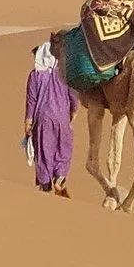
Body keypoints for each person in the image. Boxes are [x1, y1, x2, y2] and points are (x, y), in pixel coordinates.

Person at [24, 38, 76, 198]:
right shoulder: (65, 74)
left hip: (42, 119)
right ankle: (59, 178)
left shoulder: (35, 75)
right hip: (62, 118)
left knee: (44, 152)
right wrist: (72, 113)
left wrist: (28, 121)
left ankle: (45, 185)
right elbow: (74, 96)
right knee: (64, 148)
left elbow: (31, 99)